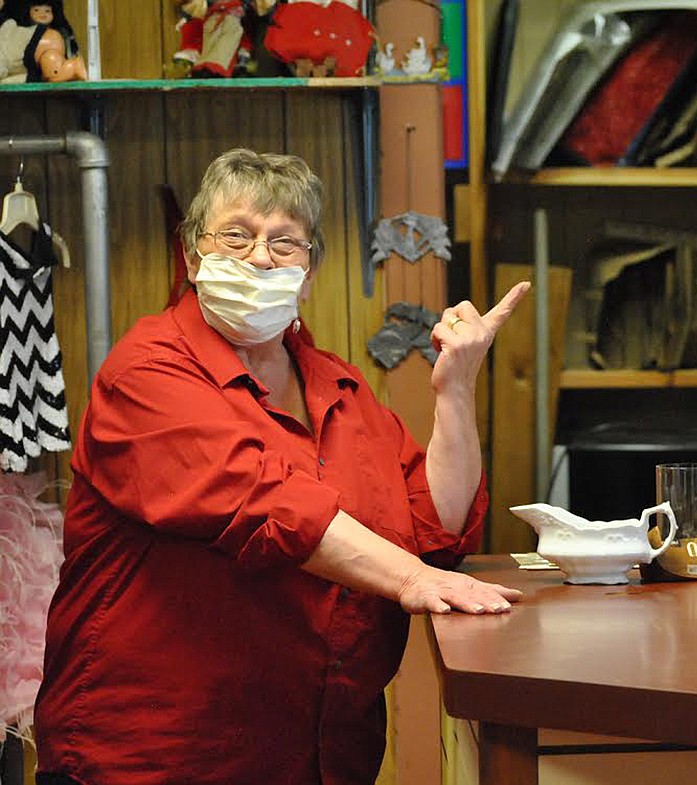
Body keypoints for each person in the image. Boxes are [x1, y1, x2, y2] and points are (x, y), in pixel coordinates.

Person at [33, 148, 529, 785]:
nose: (261, 257)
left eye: (285, 243)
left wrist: (456, 389)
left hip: (320, 759)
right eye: (236, 236)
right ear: (192, 255)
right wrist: (408, 579)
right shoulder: (146, 373)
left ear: (310, 269)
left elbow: (434, 526)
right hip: (155, 761)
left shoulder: (339, 386)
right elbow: (263, 502)